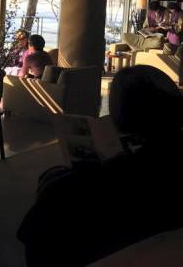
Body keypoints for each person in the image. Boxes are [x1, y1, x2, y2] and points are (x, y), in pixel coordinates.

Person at [18, 65, 183, 266]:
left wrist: (57, 179)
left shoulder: (70, 192)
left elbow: (38, 241)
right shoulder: (164, 166)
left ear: (118, 117)